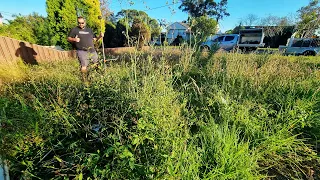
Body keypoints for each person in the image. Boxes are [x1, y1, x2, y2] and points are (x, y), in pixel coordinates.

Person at [67, 16, 104, 81]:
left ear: (85, 22)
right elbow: (68, 38)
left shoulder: (89, 30)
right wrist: (74, 39)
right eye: (79, 23)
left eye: (82, 23)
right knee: (84, 66)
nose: (80, 24)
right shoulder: (75, 29)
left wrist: (100, 36)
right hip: (82, 50)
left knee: (97, 64)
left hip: (92, 50)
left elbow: (95, 40)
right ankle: (85, 80)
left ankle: (99, 78)